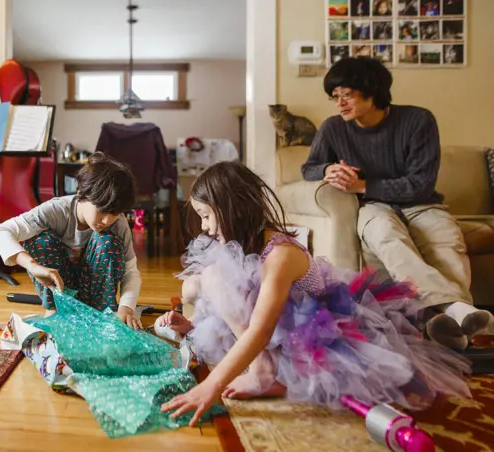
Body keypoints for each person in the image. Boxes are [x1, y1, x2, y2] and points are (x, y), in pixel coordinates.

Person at [159, 161, 471, 426]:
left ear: (235, 211)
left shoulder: (280, 254)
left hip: (317, 333)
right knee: (207, 277)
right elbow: (220, 297)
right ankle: (263, 364)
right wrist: (196, 322)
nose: (205, 228)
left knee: (212, 279)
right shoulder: (240, 246)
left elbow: (261, 330)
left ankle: (264, 369)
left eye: (207, 216)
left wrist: (212, 385)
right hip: (274, 325)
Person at [300, 57, 493, 350]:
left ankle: (441, 327)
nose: (339, 104)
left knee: (445, 240)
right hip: (373, 207)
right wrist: (327, 169)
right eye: (335, 97)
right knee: (386, 236)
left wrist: (363, 185)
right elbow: (308, 168)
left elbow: (421, 184)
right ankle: (456, 311)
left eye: (347, 94)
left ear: (373, 90)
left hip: (421, 203)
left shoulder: (418, 121)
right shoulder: (333, 128)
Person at [0, 152, 143, 329]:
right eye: (103, 210)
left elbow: (130, 272)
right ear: (81, 194)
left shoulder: (118, 223)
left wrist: (126, 308)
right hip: (61, 292)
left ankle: (102, 314)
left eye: (114, 214)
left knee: (107, 241)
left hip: (96, 300)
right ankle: (54, 311)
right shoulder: (56, 210)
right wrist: (32, 265)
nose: (107, 220)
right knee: (39, 240)